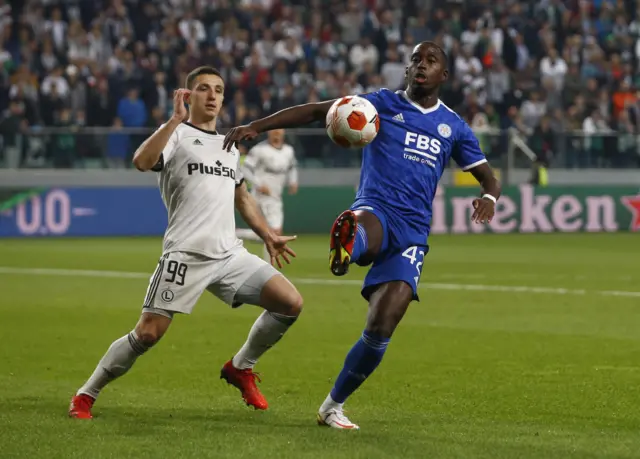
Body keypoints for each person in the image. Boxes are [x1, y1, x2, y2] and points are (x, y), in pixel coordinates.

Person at [223, 42, 501, 430]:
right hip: (376, 210)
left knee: (383, 325)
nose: (421, 66)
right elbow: (318, 111)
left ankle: (332, 407)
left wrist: (488, 196)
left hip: (413, 234)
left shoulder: (453, 126)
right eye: (416, 60)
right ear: (407, 69)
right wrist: (259, 125)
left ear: (444, 75)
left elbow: (488, 175)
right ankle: (348, 245)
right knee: (364, 225)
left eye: (431, 61)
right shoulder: (379, 105)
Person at [69, 66, 303, 419]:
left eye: (219, 90)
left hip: (228, 255)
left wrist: (268, 234)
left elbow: (242, 198)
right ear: (188, 95)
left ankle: (240, 367)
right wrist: (174, 121)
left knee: (290, 303)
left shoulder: (229, 146)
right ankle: (86, 394)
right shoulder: (176, 135)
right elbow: (141, 161)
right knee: (147, 334)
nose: (212, 96)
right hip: (185, 254)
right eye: (204, 89)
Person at [238, 129, 299, 261]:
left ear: (283, 132)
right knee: (274, 233)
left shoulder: (288, 151)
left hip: (276, 196)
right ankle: (269, 267)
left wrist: (293, 181)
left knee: (271, 233)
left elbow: (292, 167)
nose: (276, 132)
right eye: (273, 130)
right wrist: (258, 184)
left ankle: (238, 234)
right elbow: (245, 169)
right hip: (261, 195)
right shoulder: (259, 150)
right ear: (268, 132)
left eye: (279, 130)